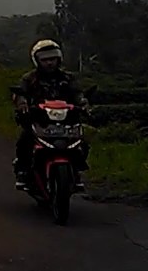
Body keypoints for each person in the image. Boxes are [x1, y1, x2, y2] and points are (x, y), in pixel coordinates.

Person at [12, 39, 90, 188]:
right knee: (25, 140)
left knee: (82, 142)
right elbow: (20, 93)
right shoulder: (29, 78)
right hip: (39, 118)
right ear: (37, 61)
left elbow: (78, 93)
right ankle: (23, 170)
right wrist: (22, 104)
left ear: (59, 59)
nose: (49, 63)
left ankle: (77, 170)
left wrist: (83, 103)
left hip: (66, 118)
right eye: (45, 60)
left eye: (52, 59)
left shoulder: (68, 78)